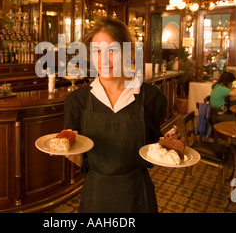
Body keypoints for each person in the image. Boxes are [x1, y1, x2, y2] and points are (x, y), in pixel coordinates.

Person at [63, 18, 167, 213]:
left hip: (137, 196)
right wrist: (68, 150)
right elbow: (80, 160)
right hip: (96, 195)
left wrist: (171, 146)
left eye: (112, 51)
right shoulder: (76, 102)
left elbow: (153, 152)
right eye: (97, 51)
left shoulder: (151, 98)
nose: (103, 60)